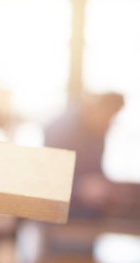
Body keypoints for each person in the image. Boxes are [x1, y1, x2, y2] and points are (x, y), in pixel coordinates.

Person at [44, 92, 124, 220]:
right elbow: (46, 179)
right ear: (99, 109)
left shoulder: (99, 131)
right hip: (59, 218)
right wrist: (79, 187)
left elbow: (95, 171)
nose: (110, 124)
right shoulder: (61, 130)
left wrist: (107, 189)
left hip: (87, 217)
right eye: (110, 117)